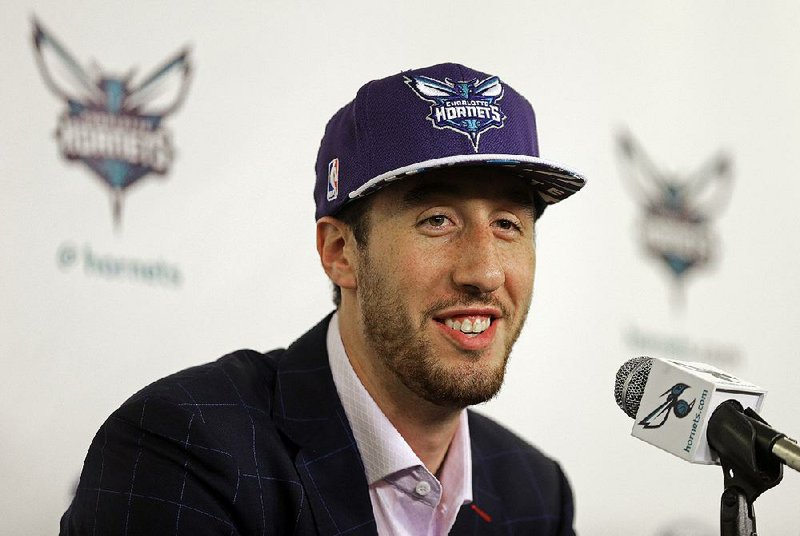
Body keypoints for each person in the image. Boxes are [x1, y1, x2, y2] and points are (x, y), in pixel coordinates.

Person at [60, 63, 586, 535]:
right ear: (340, 252)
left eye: (507, 224)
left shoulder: (537, 493)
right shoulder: (185, 451)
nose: (486, 272)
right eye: (437, 220)